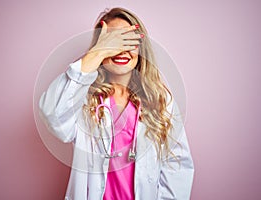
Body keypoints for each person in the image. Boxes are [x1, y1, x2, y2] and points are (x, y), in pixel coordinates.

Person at [39, 7, 194, 200]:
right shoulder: (82, 99)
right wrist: (95, 54)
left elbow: (177, 168)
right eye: (113, 42)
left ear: (140, 48)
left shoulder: (161, 100)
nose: (121, 50)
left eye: (129, 41)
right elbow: (53, 115)